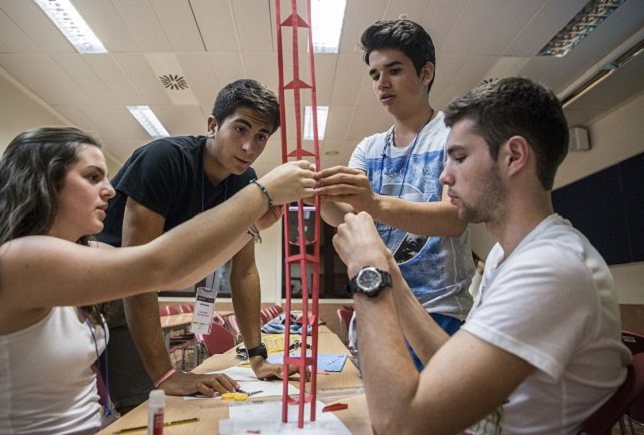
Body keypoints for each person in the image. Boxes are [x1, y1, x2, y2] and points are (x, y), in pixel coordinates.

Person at [0, 127, 315, 433]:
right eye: (92, 177)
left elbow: (180, 273)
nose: (109, 190)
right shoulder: (19, 258)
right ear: (45, 182)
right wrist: (260, 193)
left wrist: (249, 226)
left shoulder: (72, 253)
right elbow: (157, 265)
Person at [332, 77, 632, 434]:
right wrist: (391, 272)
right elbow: (450, 362)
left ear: (514, 156)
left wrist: (369, 269)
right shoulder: (506, 257)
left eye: (459, 157)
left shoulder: (551, 267)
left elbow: (400, 423)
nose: (445, 176)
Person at [96, 79, 301, 413]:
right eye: (240, 129)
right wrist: (165, 375)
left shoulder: (245, 183)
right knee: (142, 407)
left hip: (141, 286)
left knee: (156, 407)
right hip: (102, 293)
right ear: (212, 125)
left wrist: (257, 358)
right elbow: (138, 272)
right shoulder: (164, 159)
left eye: (261, 136)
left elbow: (245, 271)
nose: (249, 147)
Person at [315, 19, 474, 368]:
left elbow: (455, 219)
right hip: (378, 305)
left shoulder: (453, 134)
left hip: (438, 310)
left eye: (394, 70)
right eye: (374, 75)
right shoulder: (369, 148)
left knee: (429, 420)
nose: (382, 83)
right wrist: (322, 196)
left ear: (426, 72)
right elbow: (349, 217)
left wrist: (374, 203)